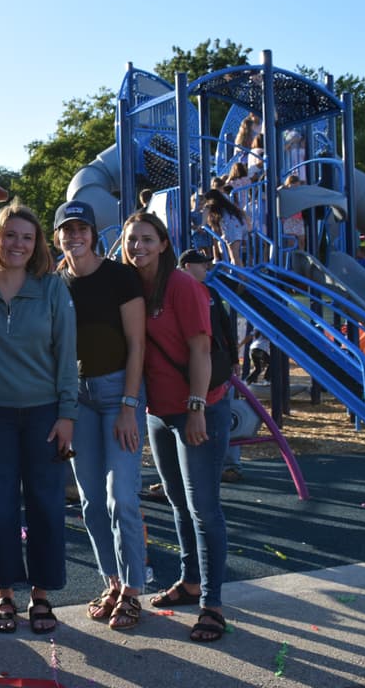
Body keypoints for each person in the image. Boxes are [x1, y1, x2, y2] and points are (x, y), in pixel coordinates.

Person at [121, 211, 230, 644]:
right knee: (177, 500)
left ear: (163, 243)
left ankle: (214, 605)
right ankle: (190, 582)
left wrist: (197, 407)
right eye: (132, 240)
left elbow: (200, 349)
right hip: (158, 411)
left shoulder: (183, 286)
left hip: (196, 407)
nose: (138, 247)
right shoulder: (131, 288)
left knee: (204, 506)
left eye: (147, 239)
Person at [0, 203, 78, 635]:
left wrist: (67, 414)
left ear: (36, 244)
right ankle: (3, 594)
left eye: (28, 237)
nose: (18, 243)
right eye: (10, 234)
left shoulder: (51, 288)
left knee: (45, 504)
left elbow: (67, 353)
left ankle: (41, 595)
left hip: (43, 413)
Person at [53, 200, 147, 631]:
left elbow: (137, 343)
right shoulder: (56, 282)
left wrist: (129, 404)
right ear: (58, 237)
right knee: (91, 500)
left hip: (116, 393)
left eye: (82, 229)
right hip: (78, 397)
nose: (75, 236)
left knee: (121, 496)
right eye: (67, 230)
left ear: (93, 234)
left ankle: (133, 587)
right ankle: (112, 581)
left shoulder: (118, 276)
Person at [177, 248, 243, 483]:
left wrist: (234, 359)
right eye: (201, 264)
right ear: (186, 266)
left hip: (216, 364)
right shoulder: (174, 292)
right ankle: (182, 473)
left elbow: (226, 327)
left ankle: (229, 463)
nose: (206, 267)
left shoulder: (210, 292)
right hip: (188, 369)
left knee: (222, 417)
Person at [200, 188, 249, 265]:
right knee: (222, 244)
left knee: (234, 255)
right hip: (240, 227)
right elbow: (243, 213)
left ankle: (241, 276)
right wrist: (249, 226)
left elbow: (203, 221)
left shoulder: (210, 206)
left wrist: (201, 226)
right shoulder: (228, 206)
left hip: (231, 230)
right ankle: (229, 268)